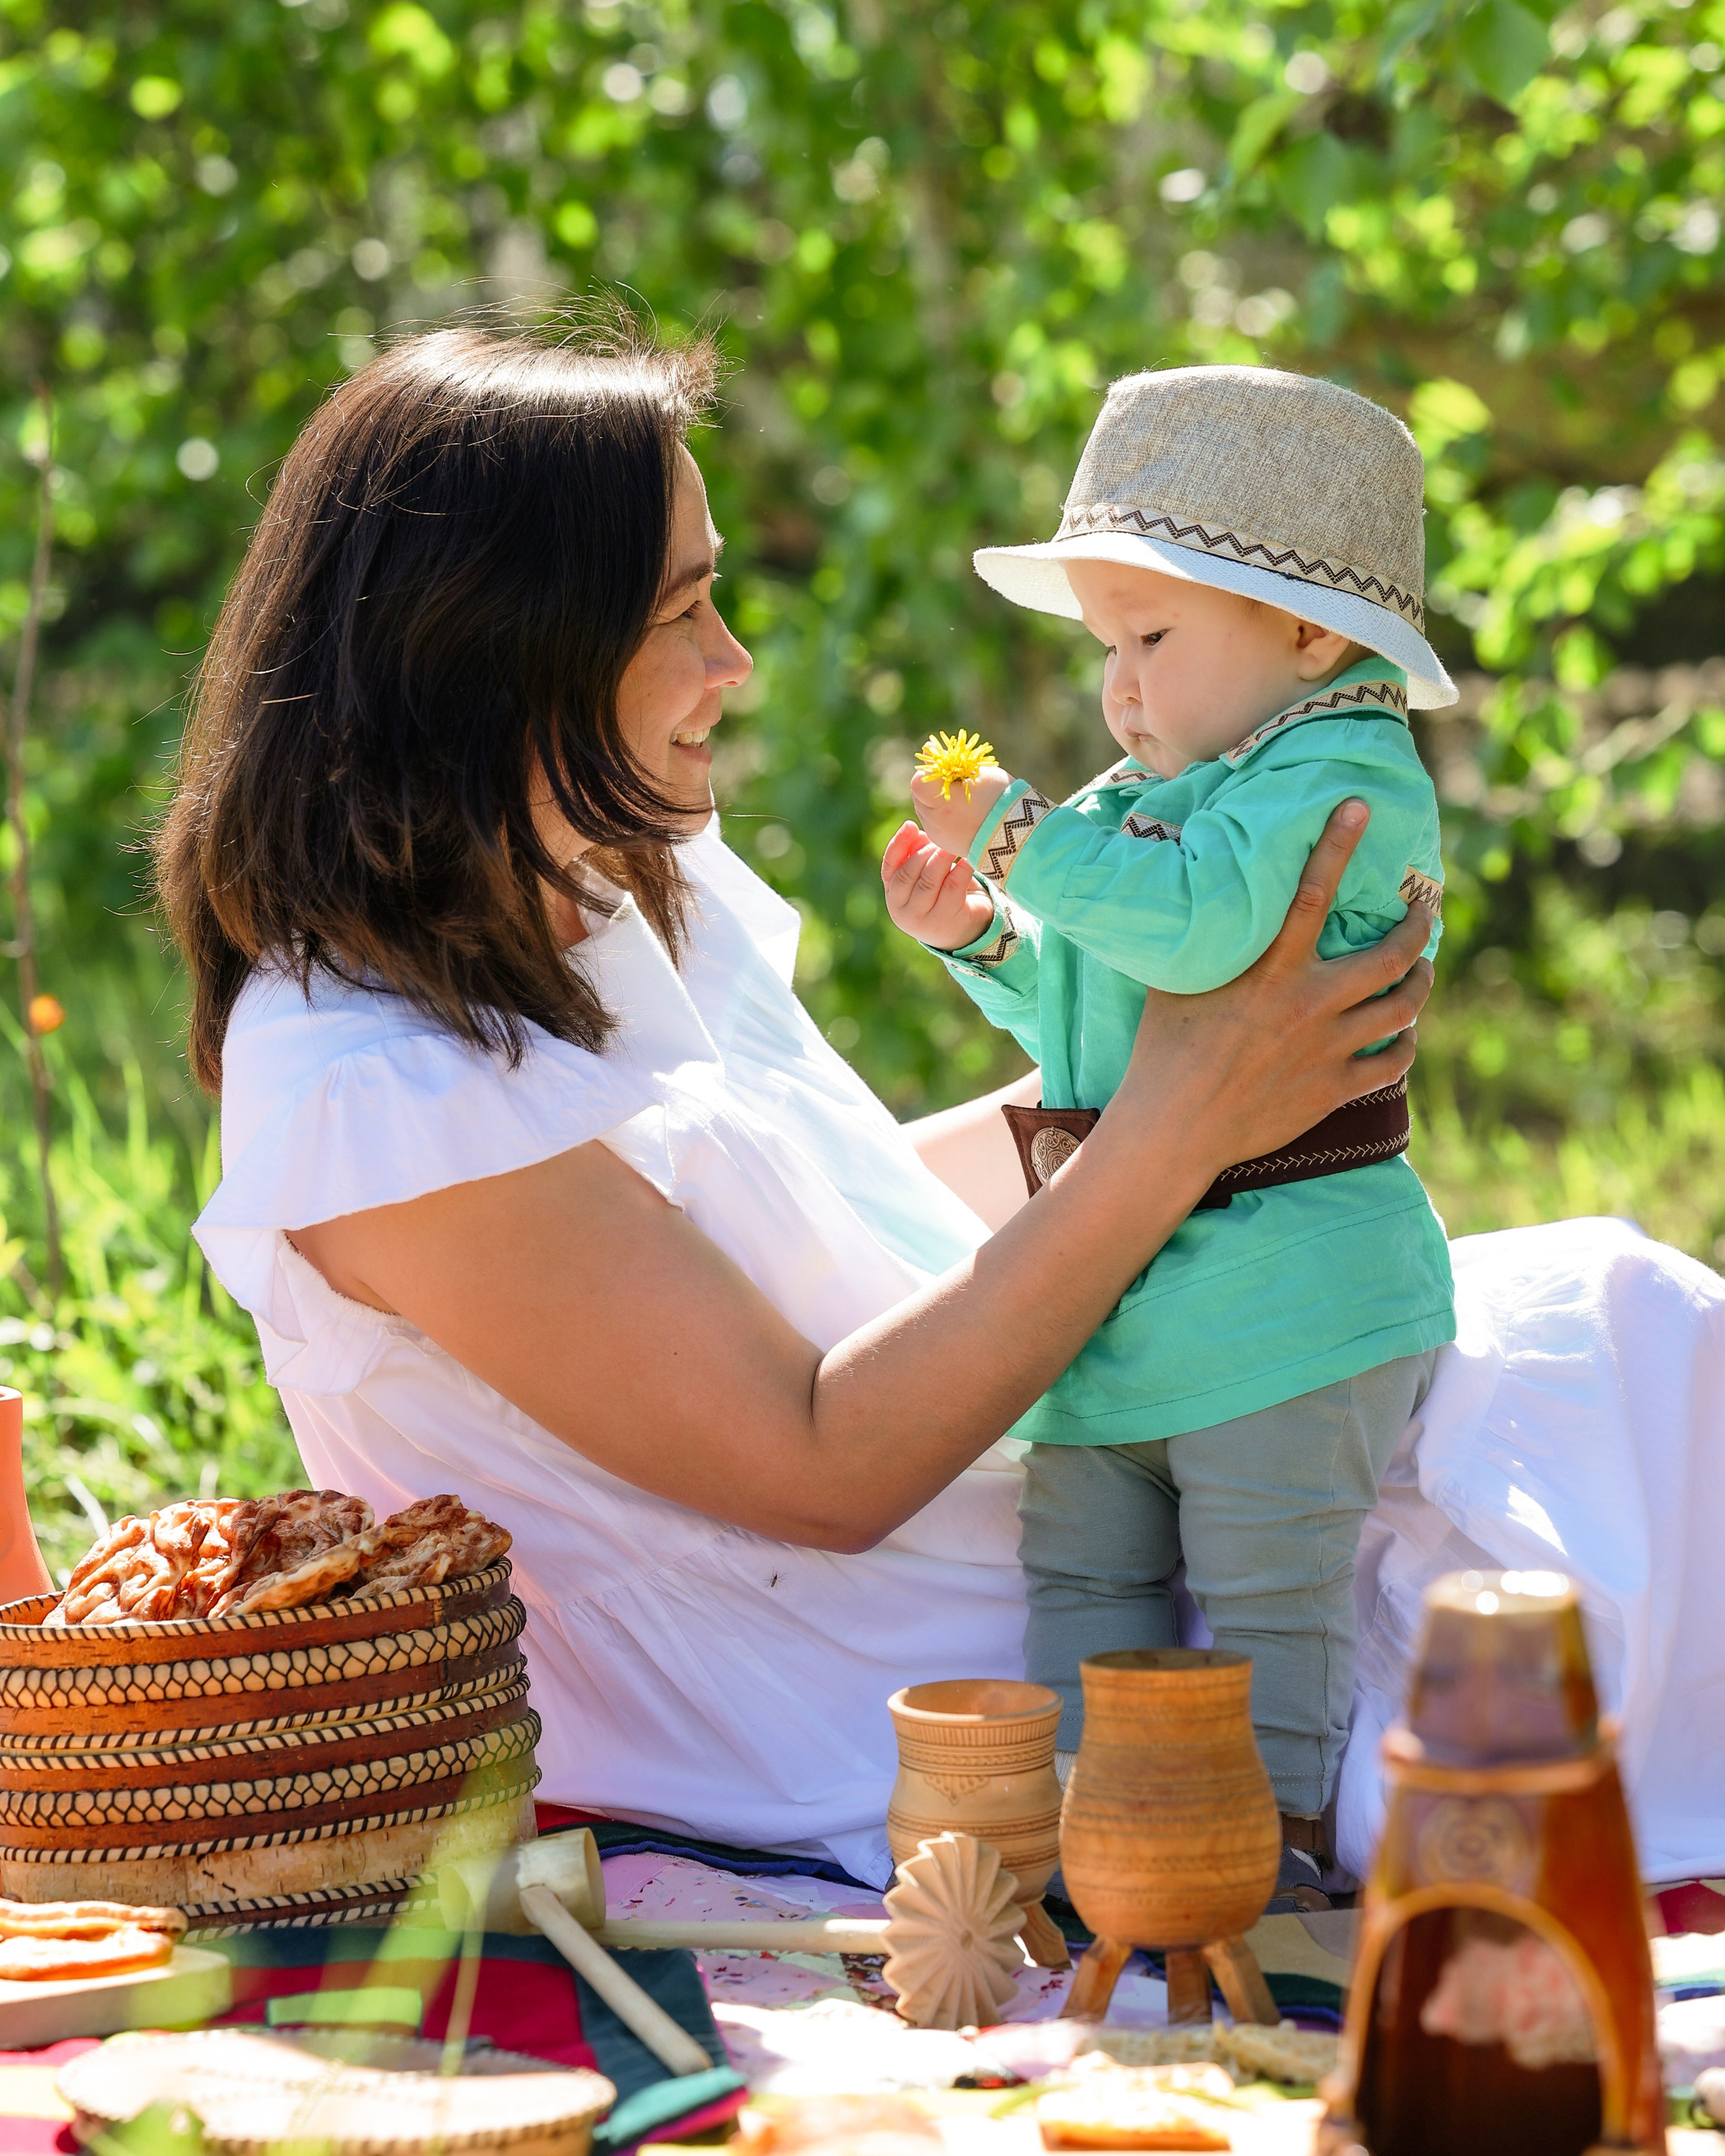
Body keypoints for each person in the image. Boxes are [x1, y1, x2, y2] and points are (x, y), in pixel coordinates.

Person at [159, 322, 1433, 1888]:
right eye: (683, 609)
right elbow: (816, 1461)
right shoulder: (366, 1086)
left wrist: (1260, 1098)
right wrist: (1176, 1127)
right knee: (1601, 1466)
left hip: (1069, 1479)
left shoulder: (622, 882)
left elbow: (811, 1211)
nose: (733, 664)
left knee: (1592, 1325)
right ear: (501, 648)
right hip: (896, 1674)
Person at [883, 367, 1457, 1901]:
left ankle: (1255, 1871)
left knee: (1269, 1598)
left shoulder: (1341, 779)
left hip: (1286, 1294)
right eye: (1101, 650)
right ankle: (1093, 1848)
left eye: (1150, 639)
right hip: (1120, 1289)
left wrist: (1013, 831)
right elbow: (1109, 1020)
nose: (1117, 688)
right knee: (1080, 1576)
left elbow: (1200, 938)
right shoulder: (1158, 787)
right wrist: (992, 936)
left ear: (1308, 634)